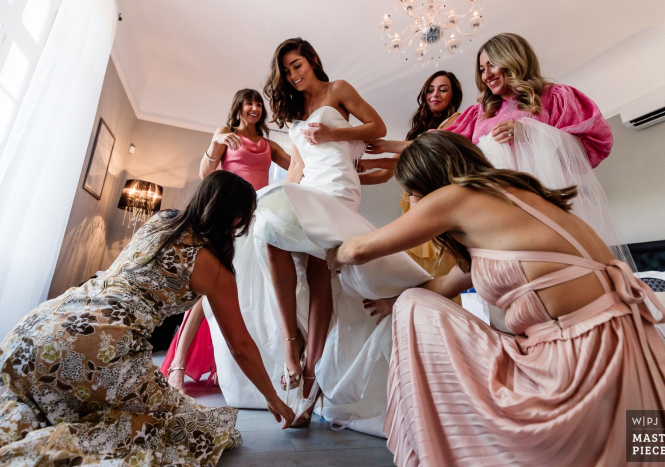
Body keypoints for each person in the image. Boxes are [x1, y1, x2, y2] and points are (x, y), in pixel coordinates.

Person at [326, 131, 665, 466]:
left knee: (413, 306)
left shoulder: (453, 198)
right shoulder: (519, 201)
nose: (412, 200)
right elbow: (445, 286)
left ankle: (448, 440)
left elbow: (360, 250)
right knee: (649, 451)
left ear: (430, 181)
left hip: (578, 352)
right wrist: (390, 303)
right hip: (630, 340)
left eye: (411, 190)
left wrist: (334, 253)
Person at [203, 38, 429, 432]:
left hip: (339, 187)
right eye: (288, 71)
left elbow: (376, 126)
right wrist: (283, 194)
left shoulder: (337, 89)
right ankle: (293, 343)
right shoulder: (294, 115)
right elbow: (297, 170)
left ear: (312, 60)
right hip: (310, 184)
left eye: (297, 65)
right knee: (271, 230)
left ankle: (310, 376)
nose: (294, 75)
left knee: (319, 272)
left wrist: (332, 135)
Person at [0, 171, 295, 465]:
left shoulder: (163, 219)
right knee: (199, 430)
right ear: (236, 218)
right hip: (102, 344)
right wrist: (273, 397)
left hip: (38, 325)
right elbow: (240, 345)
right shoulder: (216, 269)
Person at [363, 33, 633, 267]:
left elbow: (592, 145)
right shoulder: (480, 112)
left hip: (546, 204)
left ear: (514, 58)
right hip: (495, 209)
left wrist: (530, 131)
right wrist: (389, 145)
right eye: (482, 69)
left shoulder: (555, 96)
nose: (487, 74)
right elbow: (443, 144)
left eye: (492, 64)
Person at [161, 89, 290, 391]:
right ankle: (179, 364)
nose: (255, 107)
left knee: (247, 292)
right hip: (227, 217)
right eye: (250, 102)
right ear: (239, 107)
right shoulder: (225, 134)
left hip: (257, 218)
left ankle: (226, 364)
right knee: (210, 288)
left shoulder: (269, 144)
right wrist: (215, 144)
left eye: (259, 103)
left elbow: (298, 166)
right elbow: (206, 173)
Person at [360, 72, 463, 298]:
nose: (434, 94)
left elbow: (429, 145)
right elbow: (387, 174)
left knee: (439, 272)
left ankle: (444, 327)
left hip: (436, 204)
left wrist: (386, 145)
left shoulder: (457, 120)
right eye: (430, 89)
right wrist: (355, 172)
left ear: (453, 97)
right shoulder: (416, 133)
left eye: (443, 89)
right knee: (411, 276)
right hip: (411, 206)